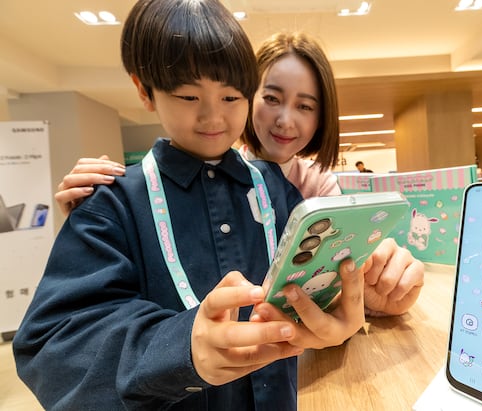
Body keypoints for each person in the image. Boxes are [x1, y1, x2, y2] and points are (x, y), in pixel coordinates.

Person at [12, 1, 367, 409]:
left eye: (231, 96)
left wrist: (336, 309)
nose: (213, 117)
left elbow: (317, 285)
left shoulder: (277, 191)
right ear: (144, 90)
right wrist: (180, 348)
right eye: (188, 95)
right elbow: (52, 344)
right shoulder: (112, 202)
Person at [55, 31, 425, 318]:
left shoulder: (319, 185)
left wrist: (376, 288)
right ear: (246, 96)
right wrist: (101, 218)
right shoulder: (202, 180)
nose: (285, 120)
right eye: (272, 99)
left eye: (305, 106)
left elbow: (331, 281)